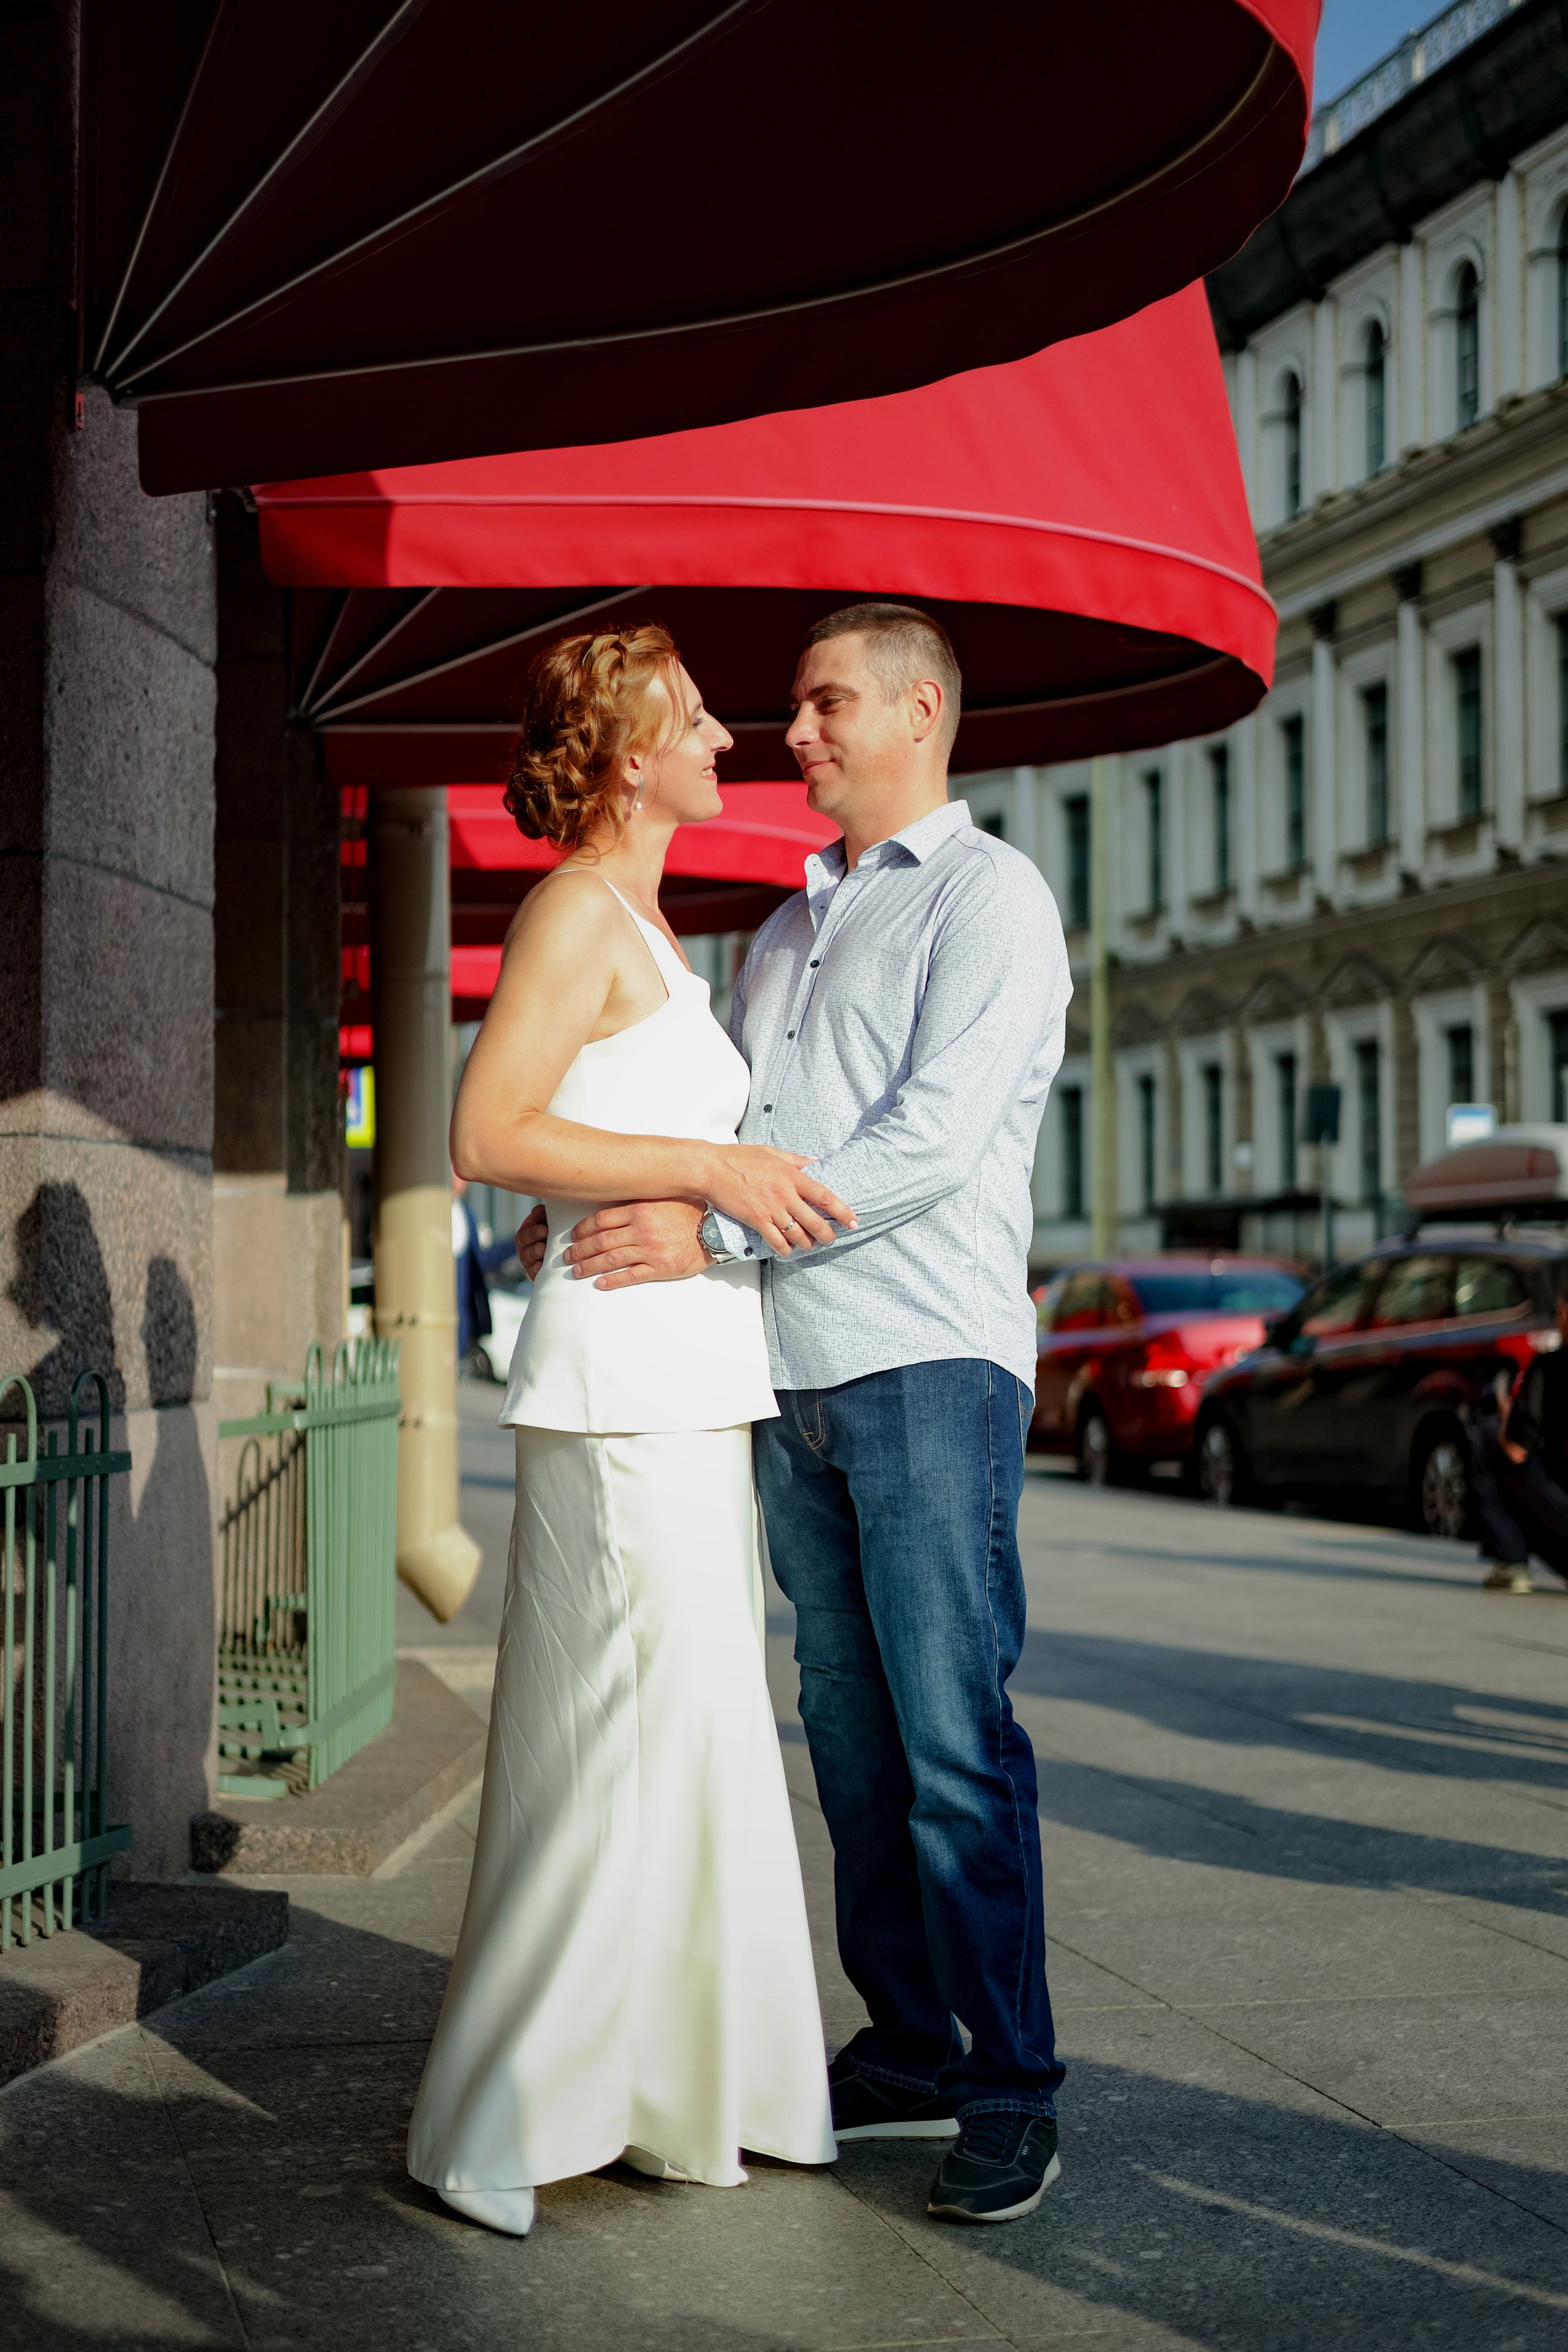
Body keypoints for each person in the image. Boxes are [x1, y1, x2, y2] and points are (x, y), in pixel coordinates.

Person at [530, 603, 1072, 2225]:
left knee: (954, 1741)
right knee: (848, 1741)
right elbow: (723, 1121)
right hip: (785, 1377)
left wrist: (700, 1232)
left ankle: (1012, 2085)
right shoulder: (781, 930)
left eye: (828, 702)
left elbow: (929, 1140)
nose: (795, 731)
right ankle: (907, 2044)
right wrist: (622, 1199)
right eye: (790, 705)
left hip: (928, 1365)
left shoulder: (990, 897)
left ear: (919, 712)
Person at [407, 623, 851, 2237]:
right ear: (627, 759)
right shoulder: (576, 912)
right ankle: (496, 2121)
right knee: (604, 1742)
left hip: (684, 1373)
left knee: (689, 1739)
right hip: (617, 1393)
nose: (730, 738)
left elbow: (566, 1135)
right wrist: (713, 1167)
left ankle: (676, 2099)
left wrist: (630, 1179)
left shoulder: (645, 926)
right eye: (697, 719)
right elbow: (482, 1129)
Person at [1471, 1283, 1568, 1593]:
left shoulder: (1552, 1365)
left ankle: (1511, 1565)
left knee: (1486, 1435)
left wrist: (1507, 1417)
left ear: (1565, 1312)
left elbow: (1516, 1450)